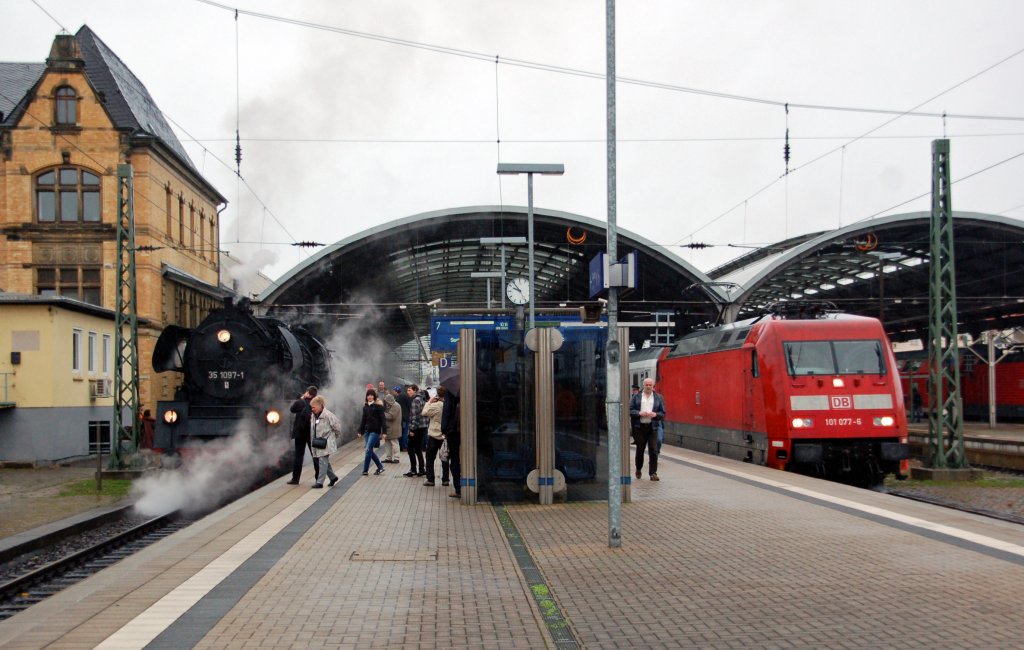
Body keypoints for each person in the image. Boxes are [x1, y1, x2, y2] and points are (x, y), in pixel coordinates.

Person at [629, 377, 666, 481]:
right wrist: (639, 413)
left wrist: (655, 414)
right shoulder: (636, 397)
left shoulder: (658, 398)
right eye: (647, 385)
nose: (648, 387)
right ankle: (638, 469)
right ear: (643, 385)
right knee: (640, 450)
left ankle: (653, 473)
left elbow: (663, 413)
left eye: (650, 385)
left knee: (653, 450)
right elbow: (630, 410)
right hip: (640, 428)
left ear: (653, 386)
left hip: (652, 427)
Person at [287, 386, 319, 485]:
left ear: (307, 393)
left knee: (298, 456)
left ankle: (295, 479)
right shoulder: (316, 403)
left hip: (300, 433)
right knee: (315, 455)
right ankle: (319, 478)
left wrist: (301, 399)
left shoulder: (300, 402)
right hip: (311, 433)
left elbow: (292, 409)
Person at [309, 395, 341, 488]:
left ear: (320, 405)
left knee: (322, 461)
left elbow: (337, 427)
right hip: (318, 442)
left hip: (326, 441)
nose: (312, 409)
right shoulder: (313, 416)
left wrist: (333, 437)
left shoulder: (328, 415)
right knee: (323, 460)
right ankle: (333, 477)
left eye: (314, 407)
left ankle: (320, 482)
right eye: (311, 407)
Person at [420, 386, 449, 487]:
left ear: (437, 394)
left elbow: (424, 412)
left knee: (430, 457)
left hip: (434, 435)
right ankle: (445, 479)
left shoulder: (436, 405)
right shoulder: (447, 404)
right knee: (444, 457)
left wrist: (429, 402)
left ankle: (430, 479)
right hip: (444, 435)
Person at [358, 388, 386, 476]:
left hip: (375, 431)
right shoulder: (365, 407)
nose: (370, 397)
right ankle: (380, 467)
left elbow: (383, 420)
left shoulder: (379, 406)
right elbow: (363, 420)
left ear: (374, 396)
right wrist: (360, 431)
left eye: (371, 395)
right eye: (368, 395)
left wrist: (384, 432)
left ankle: (365, 470)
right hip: (367, 431)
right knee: (369, 450)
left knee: (368, 449)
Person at [441, 389, 461, 498]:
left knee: (455, 459)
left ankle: (458, 488)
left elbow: (447, 410)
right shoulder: (475, 386)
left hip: (453, 430)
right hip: (469, 430)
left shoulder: (451, 390)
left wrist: (444, 429)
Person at [404, 384, 427, 477]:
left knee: (410, 449)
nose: (408, 392)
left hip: (416, 428)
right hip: (422, 427)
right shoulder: (422, 398)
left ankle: (413, 469)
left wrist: (412, 430)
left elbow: (415, 416)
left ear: (415, 390)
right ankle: (421, 469)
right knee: (418, 449)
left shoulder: (415, 400)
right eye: (407, 390)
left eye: (409, 390)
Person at [380, 391, 402, 463]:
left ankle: (396, 458)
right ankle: (388, 457)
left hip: (394, 428)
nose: (385, 402)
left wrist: (382, 413)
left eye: (386, 401)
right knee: (387, 443)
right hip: (388, 427)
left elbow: (391, 416)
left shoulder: (396, 405)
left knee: (394, 443)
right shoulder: (389, 405)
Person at [395, 384, 411, 452]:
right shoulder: (406, 396)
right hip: (405, 418)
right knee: (405, 432)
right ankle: (404, 446)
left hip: (400, 417)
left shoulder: (398, 397)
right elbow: (409, 406)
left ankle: (400, 446)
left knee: (400, 432)